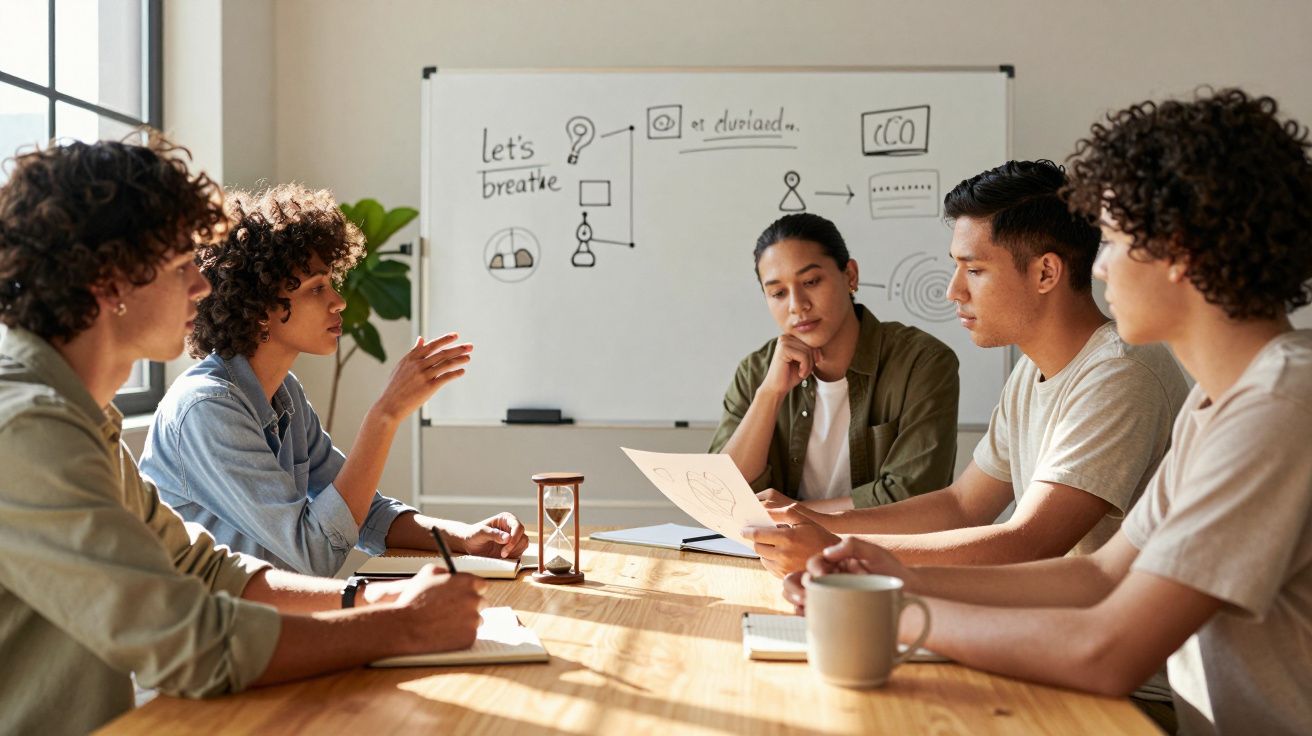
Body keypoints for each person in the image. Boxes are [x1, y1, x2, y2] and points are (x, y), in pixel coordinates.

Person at [784, 88, 1312, 736]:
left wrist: (887, 610)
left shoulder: (1278, 407)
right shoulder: (1219, 404)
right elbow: (1097, 577)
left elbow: (1106, 649)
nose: (1100, 269)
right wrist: (892, 575)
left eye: (1114, 242)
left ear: (1180, 252)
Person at [0, 136, 487, 734]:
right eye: (182, 266)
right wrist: (404, 625)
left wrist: (370, 601)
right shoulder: (27, 427)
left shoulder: (80, 414)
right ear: (110, 283)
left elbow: (202, 568)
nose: (201, 287)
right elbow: (189, 641)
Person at [744, 161, 1188, 577]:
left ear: (1046, 273)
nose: (952, 291)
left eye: (973, 270)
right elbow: (961, 505)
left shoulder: (1119, 373)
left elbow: (1029, 544)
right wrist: (817, 521)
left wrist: (835, 548)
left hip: (1115, 651)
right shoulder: (1031, 371)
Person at [139, 184, 528, 578]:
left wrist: (465, 538)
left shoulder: (284, 393)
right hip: (216, 634)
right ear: (259, 308)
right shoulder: (207, 409)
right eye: (317, 287)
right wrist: (385, 415)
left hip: (271, 623)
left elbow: (365, 514)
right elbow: (313, 552)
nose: (338, 301)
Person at [709, 212, 960, 519]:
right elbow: (721, 496)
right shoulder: (756, 372)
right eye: (777, 293)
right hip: (774, 558)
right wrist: (770, 394)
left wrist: (793, 515)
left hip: (884, 558)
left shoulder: (922, 362)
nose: (797, 305)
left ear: (850, 275)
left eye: (811, 281)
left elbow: (911, 497)